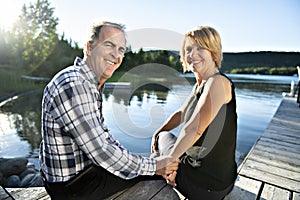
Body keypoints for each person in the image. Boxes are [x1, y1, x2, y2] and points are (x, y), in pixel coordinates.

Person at [39, 21, 179, 199]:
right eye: (109, 45)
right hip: (74, 185)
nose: (116, 54)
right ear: (89, 47)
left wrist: (152, 165)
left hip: (84, 172)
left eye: (121, 49)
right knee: (161, 187)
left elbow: (105, 138)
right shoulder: (73, 84)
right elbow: (102, 151)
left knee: (151, 168)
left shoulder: (89, 84)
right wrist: (155, 166)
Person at [151, 26, 238, 200]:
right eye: (189, 49)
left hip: (206, 186)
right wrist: (157, 131)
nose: (192, 54)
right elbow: (182, 113)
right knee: (163, 135)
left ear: (213, 51)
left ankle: (162, 174)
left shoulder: (217, 83)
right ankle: (165, 167)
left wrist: (168, 163)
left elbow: (193, 129)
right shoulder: (201, 83)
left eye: (200, 48)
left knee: (163, 141)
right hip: (215, 181)